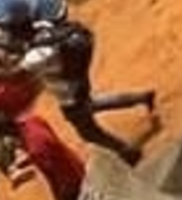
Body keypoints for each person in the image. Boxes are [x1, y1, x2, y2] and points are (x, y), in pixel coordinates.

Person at [18, 17, 155, 165]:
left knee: (89, 133)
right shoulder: (44, 26)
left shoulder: (34, 56)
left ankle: (127, 151)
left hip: (69, 94)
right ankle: (141, 98)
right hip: (79, 80)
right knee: (93, 104)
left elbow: (16, 73)